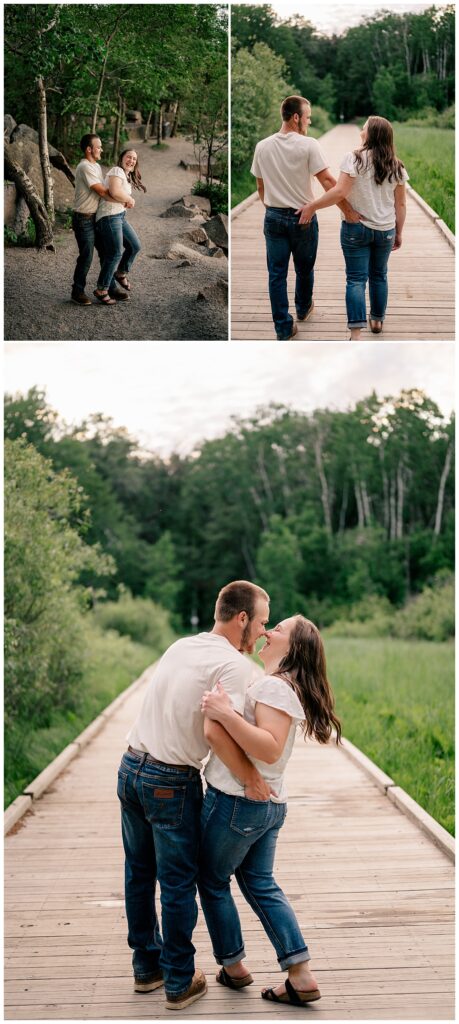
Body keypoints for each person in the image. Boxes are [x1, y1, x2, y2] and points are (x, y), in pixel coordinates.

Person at [117, 581, 271, 1011]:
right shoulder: (236, 668)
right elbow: (215, 732)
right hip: (170, 781)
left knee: (139, 873)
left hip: (130, 766)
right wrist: (252, 780)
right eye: (261, 622)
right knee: (178, 883)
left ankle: (147, 969)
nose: (263, 631)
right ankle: (180, 981)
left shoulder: (182, 646)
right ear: (241, 618)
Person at [199, 614, 341, 1008]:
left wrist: (225, 714)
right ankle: (299, 975)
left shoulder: (274, 687)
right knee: (260, 883)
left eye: (277, 629)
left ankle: (234, 966)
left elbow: (269, 748)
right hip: (266, 806)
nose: (266, 631)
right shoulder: (279, 687)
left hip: (238, 803)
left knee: (211, 880)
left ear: (292, 647)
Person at [251, 95, 361, 341]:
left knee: (276, 274)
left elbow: (260, 186)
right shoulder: (309, 145)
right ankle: (302, 308)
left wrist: (271, 208)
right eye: (308, 118)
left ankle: (283, 328)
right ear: (296, 117)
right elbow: (328, 183)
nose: (309, 123)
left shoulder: (262, 146)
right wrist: (349, 211)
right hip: (303, 217)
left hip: (273, 216)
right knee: (304, 269)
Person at [297, 115, 409, 340]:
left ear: (372, 134)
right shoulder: (396, 165)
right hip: (385, 230)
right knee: (379, 275)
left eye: (364, 128)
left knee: (356, 279)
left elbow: (339, 192)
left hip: (355, 228)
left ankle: (356, 335)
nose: (361, 131)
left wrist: (313, 206)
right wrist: (398, 232)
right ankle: (377, 321)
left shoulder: (354, 159)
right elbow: (401, 204)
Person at [71, 133, 128, 306]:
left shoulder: (95, 166)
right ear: (89, 149)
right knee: (86, 257)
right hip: (83, 218)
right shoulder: (85, 167)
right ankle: (77, 291)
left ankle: (109, 287)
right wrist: (124, 200)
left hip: (95, 217)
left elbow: (107, 190)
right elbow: (102, 192)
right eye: (99, 147)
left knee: (106, 253)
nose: (101, 149)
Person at [94, 149, 145, 305]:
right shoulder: (116, 170)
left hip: (120, 216)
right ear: (122, 158)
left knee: (135, 246)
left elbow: (118, 196)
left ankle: (121, 273)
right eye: (128, 157)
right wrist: (130, 199)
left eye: (134, 159)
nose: (131, 160)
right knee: (115, 253)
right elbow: (115, 191)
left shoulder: (126, 175)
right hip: (109, 216)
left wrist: (125, 201)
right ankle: (102, 289)